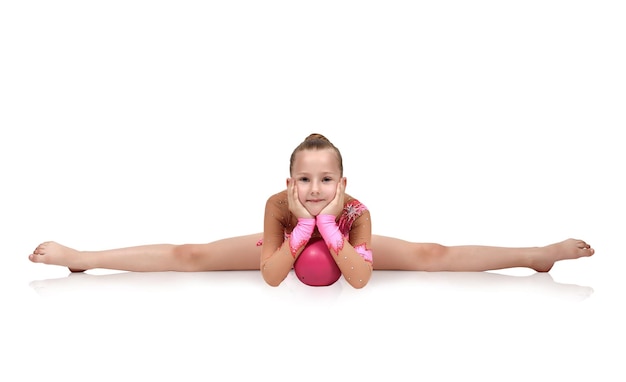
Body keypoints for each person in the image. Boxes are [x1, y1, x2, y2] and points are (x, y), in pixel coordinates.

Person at [28, 133, 595, 289]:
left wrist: (332, 226)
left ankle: (536, 256)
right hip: (295, 239)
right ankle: (83, 257)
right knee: (191, 253)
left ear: (343, 182)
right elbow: (274, 277)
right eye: (306, 179)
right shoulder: (279, 205)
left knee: (431, 254)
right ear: (290, 181)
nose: (316, 187)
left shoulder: (356, 210)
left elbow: (360, 280)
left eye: (326, 180)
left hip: (339, 241)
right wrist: (303, 224)